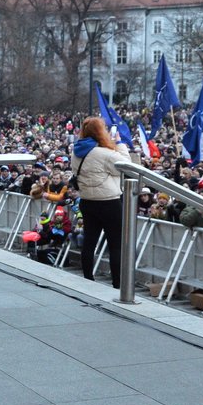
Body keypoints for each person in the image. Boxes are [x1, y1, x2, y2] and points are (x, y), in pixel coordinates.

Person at [71, 116, 131, 288]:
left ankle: (88, 278)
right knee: (115, 244)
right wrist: (119, 144)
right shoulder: (104, 153)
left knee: (89, 240)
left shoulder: (76, 151)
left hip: (87, 201)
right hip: (109, 202)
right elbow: (126, 166)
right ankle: (117, 283)